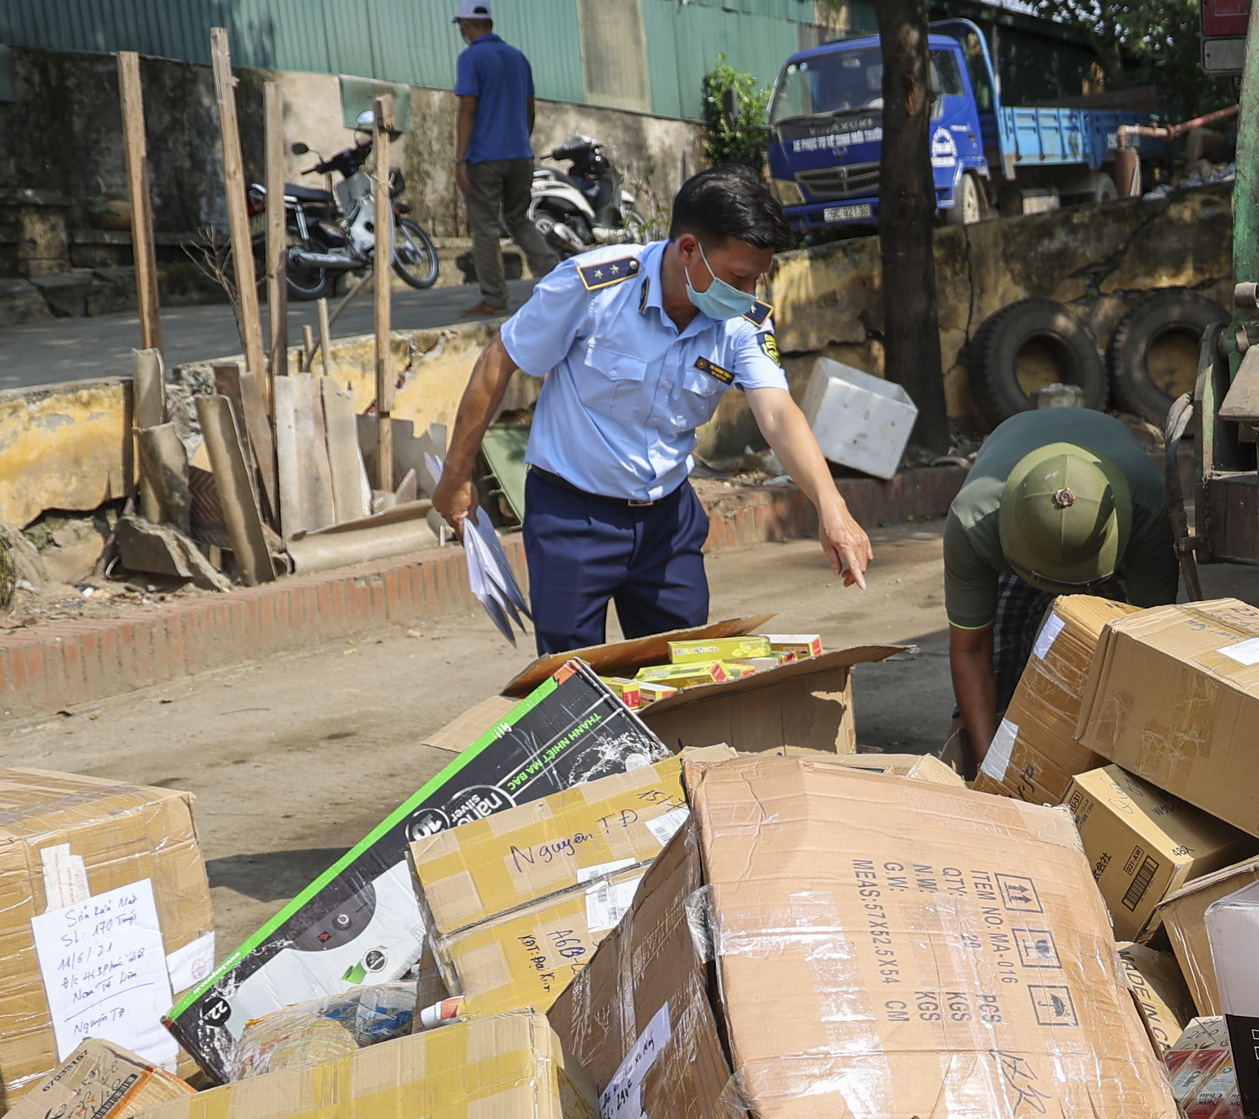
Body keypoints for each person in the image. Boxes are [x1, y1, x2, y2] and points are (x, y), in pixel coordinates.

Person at [433, 166, 872, 655]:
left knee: (682, 671)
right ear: (688, 250)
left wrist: (831, 506)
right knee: (574, 683)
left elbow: (778, 414)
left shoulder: (741, 323)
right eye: (738, 277)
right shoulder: (595, 288)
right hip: (573, 517)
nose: (748, 294)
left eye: (756, 279)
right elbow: (498, 361)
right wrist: (457, 475)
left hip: (667, 519)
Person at [946, 407, 1177, 765]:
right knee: (998, 652)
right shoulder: (973, 522)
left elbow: (1149, 648)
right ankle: (979, 746)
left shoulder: (1145, 506)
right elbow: (970, 650)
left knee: (1114, 646)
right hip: (1016, 530)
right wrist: (990, 766)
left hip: (1106, 531)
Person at [452, 0, 557, 316]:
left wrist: (460, 161)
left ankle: (495, 298)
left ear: (466, 25)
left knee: (484, 228)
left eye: (461, 25)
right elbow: (530, 109)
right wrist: (521, 141)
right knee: (518, 219)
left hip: (485, 158)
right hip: (520, 156)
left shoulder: (471, 57)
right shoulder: (517, 58)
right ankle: (557, 278)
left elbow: (467, 109)